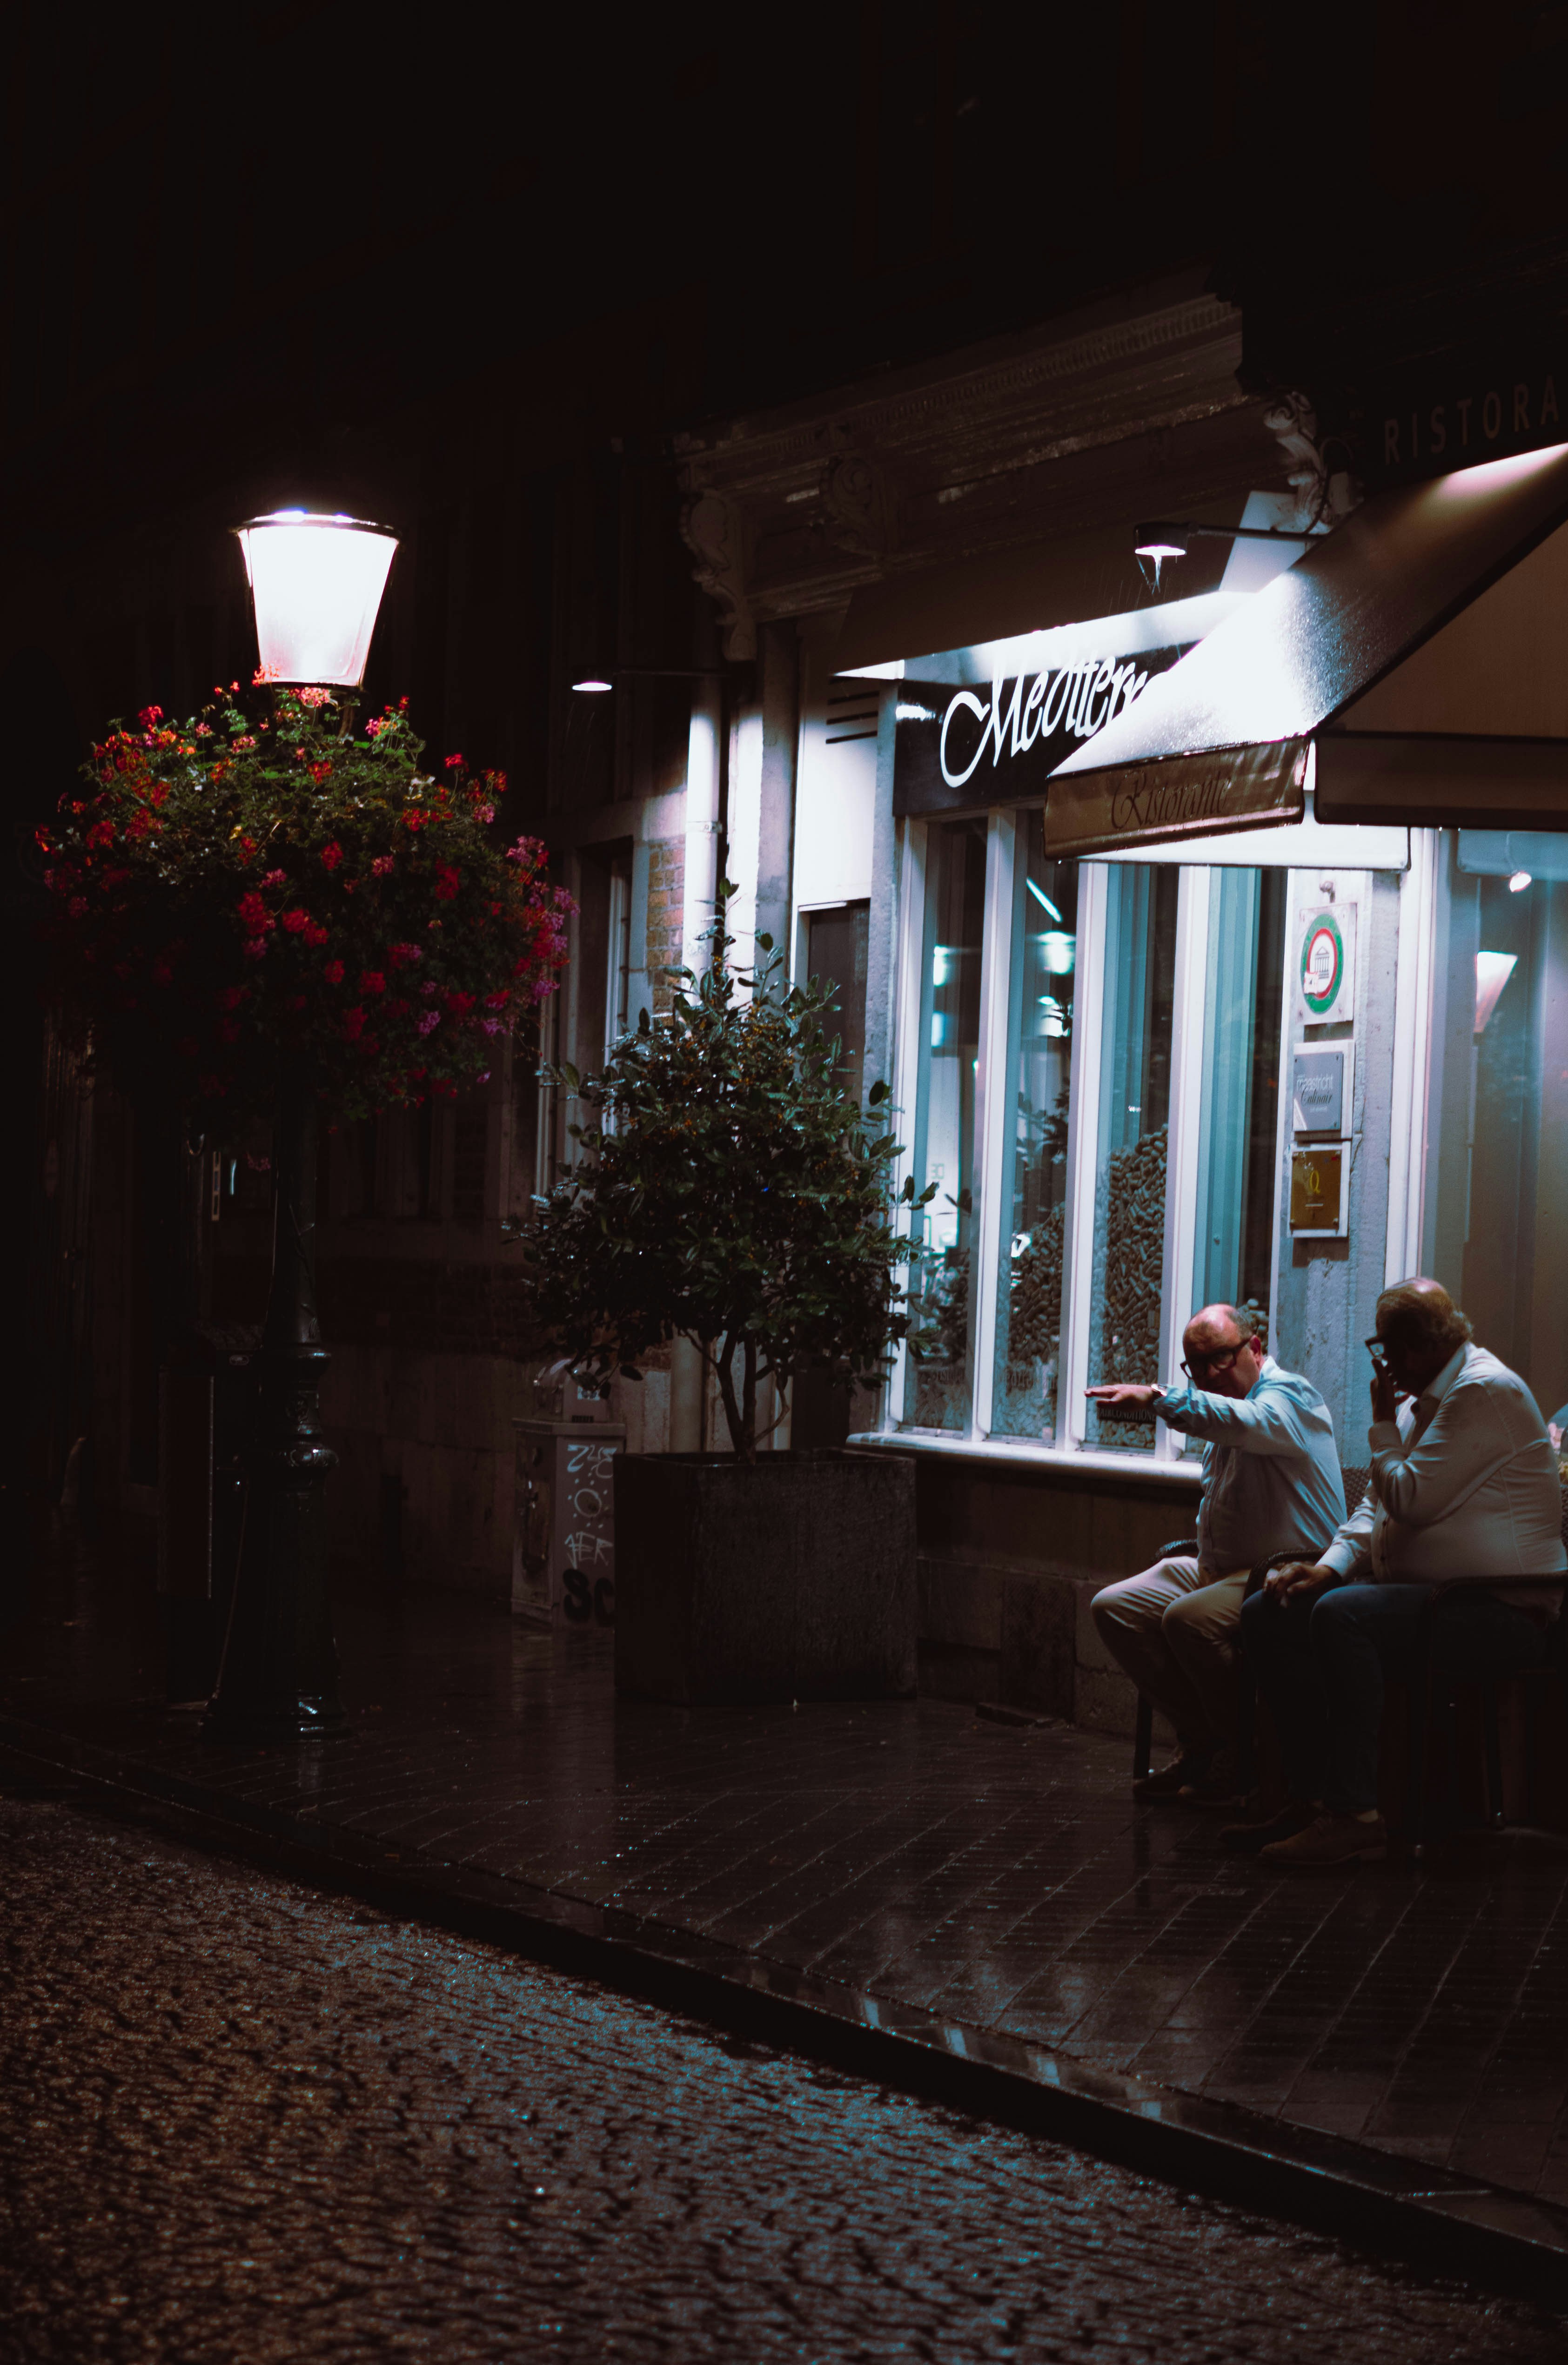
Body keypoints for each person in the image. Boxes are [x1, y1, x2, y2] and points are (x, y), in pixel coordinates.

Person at [1231, 1279, 1567, 1868]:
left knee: (1344, 1618)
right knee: (1270, 1612)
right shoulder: (1433, 1400)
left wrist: (1383, 1426)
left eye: (1386, 1349)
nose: (1383, 1363)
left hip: (1502, 1611)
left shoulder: (1484, 1392)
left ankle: (1353, 1813)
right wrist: (1328, 1568)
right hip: (1431, 1598)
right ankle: (1310, 1796)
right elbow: (1378, 1505)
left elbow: (1409, 1499)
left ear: (1413, 1349)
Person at [1086, 1305, 1346, 1804]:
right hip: (1221, 1568)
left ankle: (1242, 1754)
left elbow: (1246, 1422)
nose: (1207, 1376)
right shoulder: (1223, 1405)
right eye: (1195, 1365)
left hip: (1286, 1569)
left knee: (1189, 1619)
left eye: (1218, 1359)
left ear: (1254, 1348)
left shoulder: (1290, 1395)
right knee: (1114, 1607)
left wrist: (1159, 1398)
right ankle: (1203, 1741)